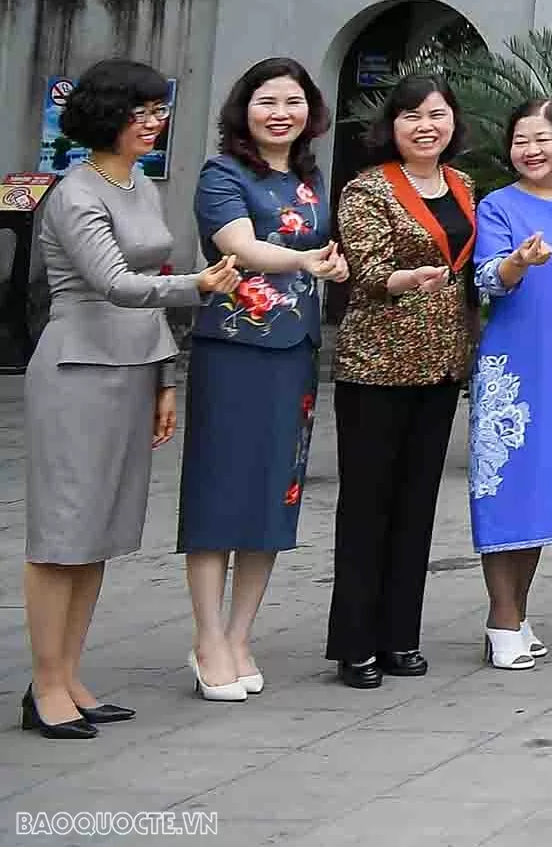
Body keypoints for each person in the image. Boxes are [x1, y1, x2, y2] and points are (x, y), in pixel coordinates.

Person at [25, 61, 239, 737]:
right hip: (77, 369)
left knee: (100, 535)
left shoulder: (139, 183)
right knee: (61, 534)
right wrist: (199, 288)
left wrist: (164, 378)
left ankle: (70, 675)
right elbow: (115, 283)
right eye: (140, 111)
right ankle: (43, 685)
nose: (154, 122)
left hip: (132, 365)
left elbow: (150, 278)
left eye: (158, 109)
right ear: (105, 116)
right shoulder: (75, 193)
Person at [180, 58, 345, 703]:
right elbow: (239, 246)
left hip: (295, 349)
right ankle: (207, 636)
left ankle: (241, 634)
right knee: (220, 489)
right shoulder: (222, 173)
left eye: (294, 102)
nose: (282, 112)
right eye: (267, 101)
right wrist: (305, 258)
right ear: (243, 109)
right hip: (234, 350)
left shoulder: (309, 178)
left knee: (276, 493)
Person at [323, 72, 479, 688]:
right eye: (412, 116)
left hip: (439, 365)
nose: (425, 126)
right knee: (367, 505)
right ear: (392, 126)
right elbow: (363, 268)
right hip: (376, 366)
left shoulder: (463, 185)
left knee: (417, 505)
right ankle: (354, 641)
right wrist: (402, 280)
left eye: (436, 114)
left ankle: (399, 636)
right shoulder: (367, 189)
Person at [468, 99, 552, 669]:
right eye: (521, 139)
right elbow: (484, 277)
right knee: (504, 489)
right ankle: (501, 619)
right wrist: (517, 263)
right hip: (512, 367)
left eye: (542, 138)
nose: (531, 149)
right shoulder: (498, 205)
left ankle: (519, 613)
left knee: (545, 491)